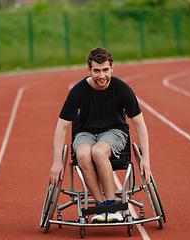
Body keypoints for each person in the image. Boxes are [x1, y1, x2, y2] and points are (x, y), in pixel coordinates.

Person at [50, 47, 151, 223]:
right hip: (85, 133)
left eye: (105, 69)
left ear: (112, 68)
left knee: (98, 152)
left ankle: (112, 207)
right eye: (96, 70)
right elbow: (61, 128)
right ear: (88, 70)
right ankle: (100, 206)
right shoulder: (78, 91)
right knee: (82, 154)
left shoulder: (122, 88)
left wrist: (146, 158)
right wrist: (57, 162)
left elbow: (140, 124)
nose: (101, 75)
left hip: (115, 132)